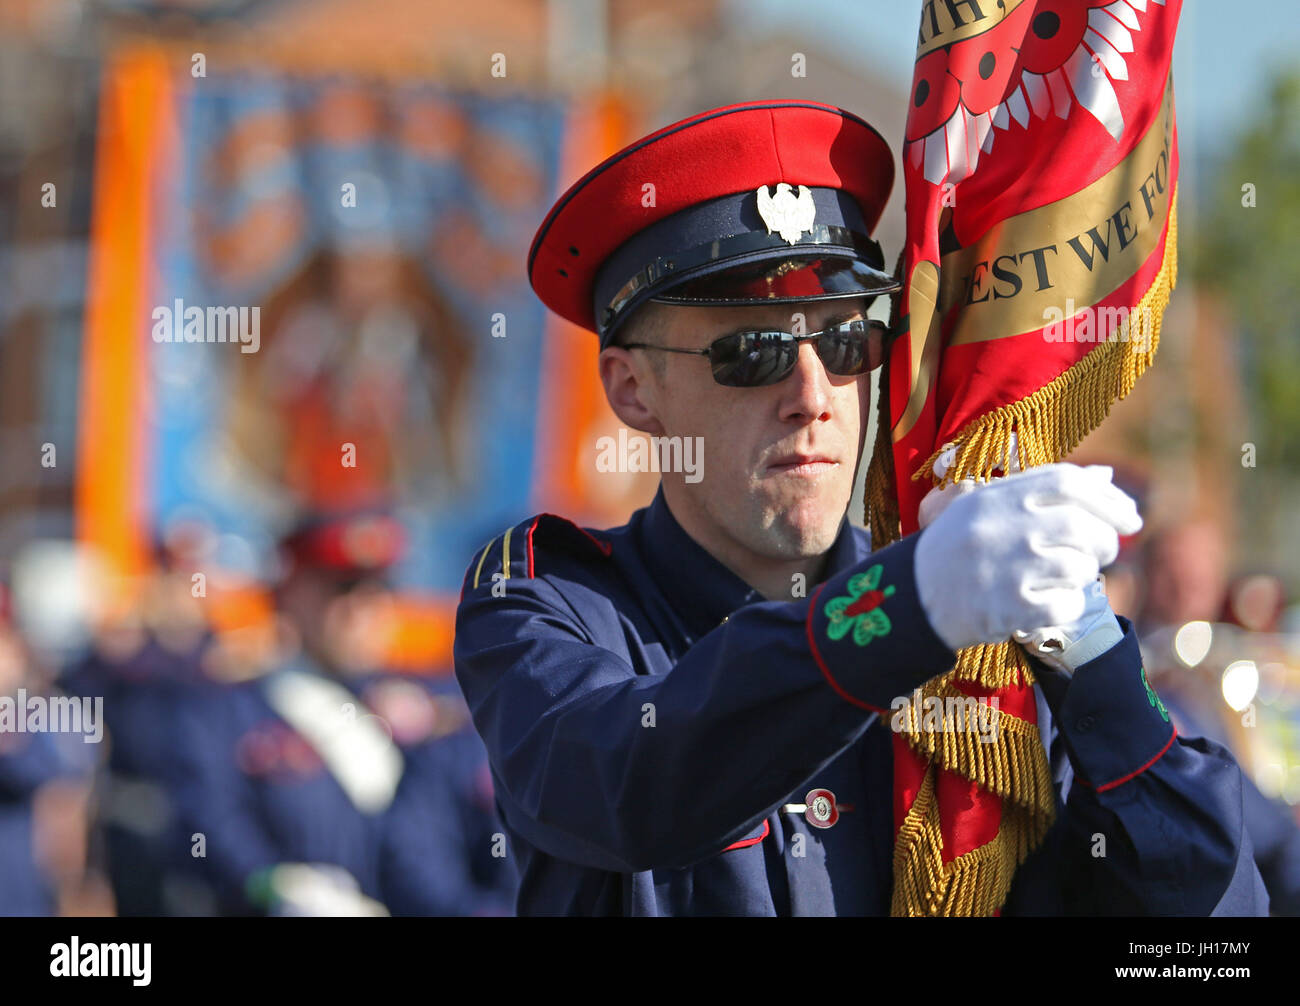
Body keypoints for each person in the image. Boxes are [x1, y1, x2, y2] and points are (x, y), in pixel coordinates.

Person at [453, 99, 1268, 916]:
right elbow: (621, 781)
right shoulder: (547, 603)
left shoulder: (979, 641)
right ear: (633, 389)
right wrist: (908, 607)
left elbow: (1210, 929)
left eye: (846, 342)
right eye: (753, 352)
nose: (814, 396)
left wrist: (1093, 665)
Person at [170, 507, 514, 915]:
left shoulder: (439, 707)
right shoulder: (223, 713)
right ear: (290, 592)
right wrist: (269, 883)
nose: (362, 609)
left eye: (377, 587)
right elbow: (208, 828)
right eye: (342, 588)